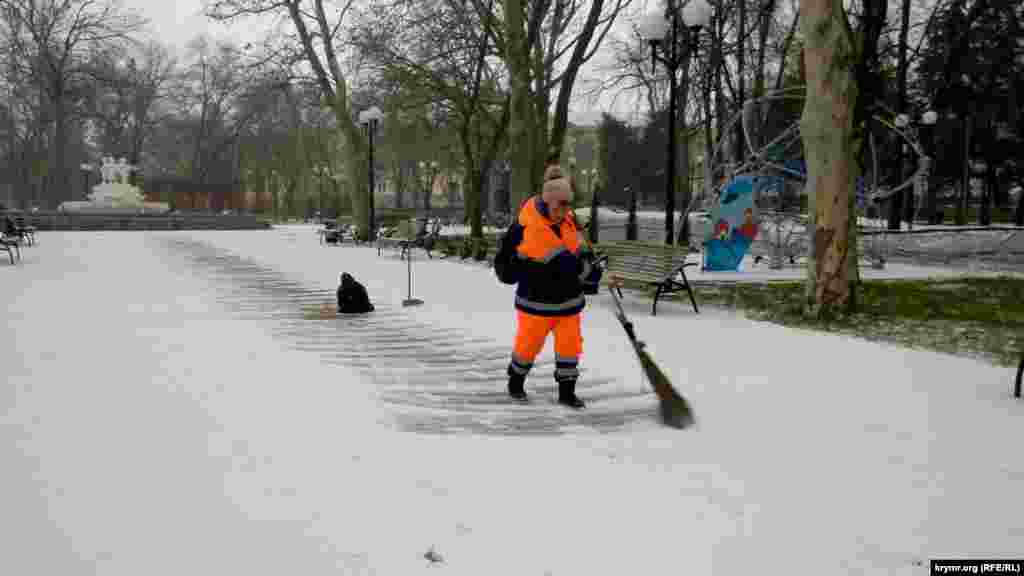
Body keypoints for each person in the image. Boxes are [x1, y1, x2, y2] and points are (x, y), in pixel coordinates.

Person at [506, 167, 604, 408]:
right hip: (535, 302)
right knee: (528, 346)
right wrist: (589, 273)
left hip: (568, 301)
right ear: (547, 202)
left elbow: (580, 254)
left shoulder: (569, 222)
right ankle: (516, 382)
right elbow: (564, 264)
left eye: (567, 205)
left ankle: (567, 392)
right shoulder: (532, 228)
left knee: (570, 347)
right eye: (559, 206)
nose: (564, 211)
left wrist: (596, 268)